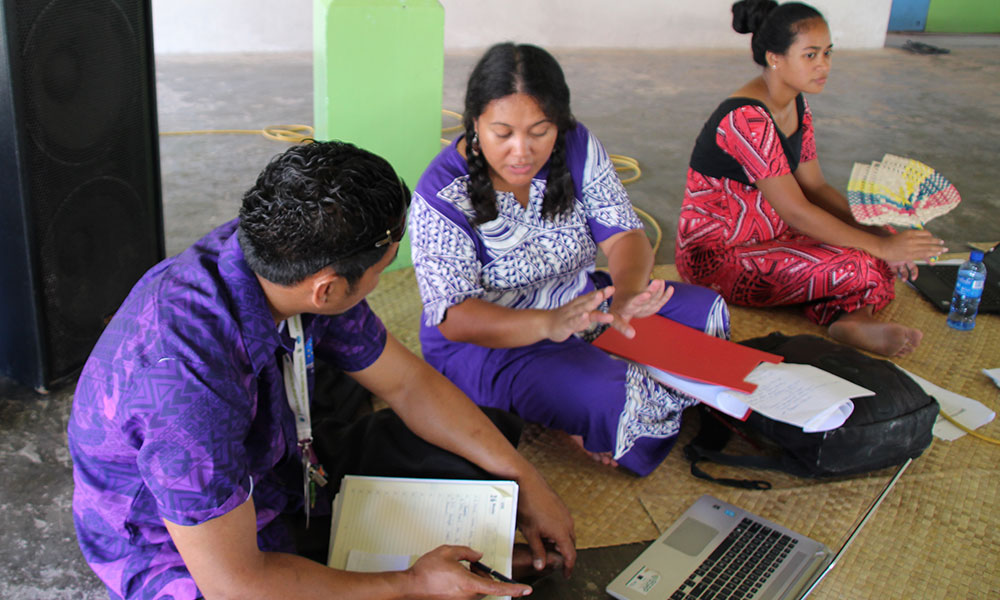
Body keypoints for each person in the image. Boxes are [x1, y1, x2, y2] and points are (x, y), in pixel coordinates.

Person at [67, 140, 576, 600]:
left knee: (487, 447)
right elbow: (236, 585)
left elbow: (406, 384)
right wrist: (410, 584)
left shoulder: (287, 255)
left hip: (274, 459)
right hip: (178, 546)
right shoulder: (185, 392)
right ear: (328, 289)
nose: (384, 283)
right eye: (383, 272)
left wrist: (526, 479)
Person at [409, 42, 730, 478]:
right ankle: (587, 402)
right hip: (491, 343)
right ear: (475, 123)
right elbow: (454, 317)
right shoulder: (442, 192)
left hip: (582, 306)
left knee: (708, 312)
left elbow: (624, 235)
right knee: (618, 400)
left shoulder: (577, 145)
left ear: (558, 123)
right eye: (502, 133)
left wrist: (628, 296)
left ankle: (588, 389)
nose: (521, 150)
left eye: (539, 131)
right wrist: (548, 325)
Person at [675, 0, 947, 358]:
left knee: (876, 251)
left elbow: (815, 188)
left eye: (828, 53)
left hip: (773, 236)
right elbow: (798, 212)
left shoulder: (796, 104)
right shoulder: (746, 118)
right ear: (775, 57)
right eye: (811, 55)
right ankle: (846, 311)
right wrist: (880, 247)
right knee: (865, 262)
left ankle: (851, 319)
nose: (824, 65)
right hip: (719, 258)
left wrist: (879, 232)